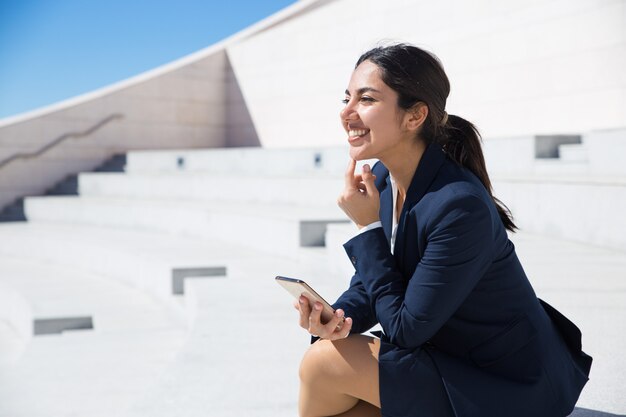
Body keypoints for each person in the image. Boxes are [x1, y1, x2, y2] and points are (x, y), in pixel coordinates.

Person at [293, 43, 592, 417]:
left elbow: (404, 329)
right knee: (346, 404)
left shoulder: (458, 205)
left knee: (324, 365)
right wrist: (336, 317)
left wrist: (365, 227)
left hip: (508, 384)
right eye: (347, 97)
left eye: (366, 99)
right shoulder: (384, 180)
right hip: (447, 359)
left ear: (415, 116)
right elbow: (376, 281)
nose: (346, 112)